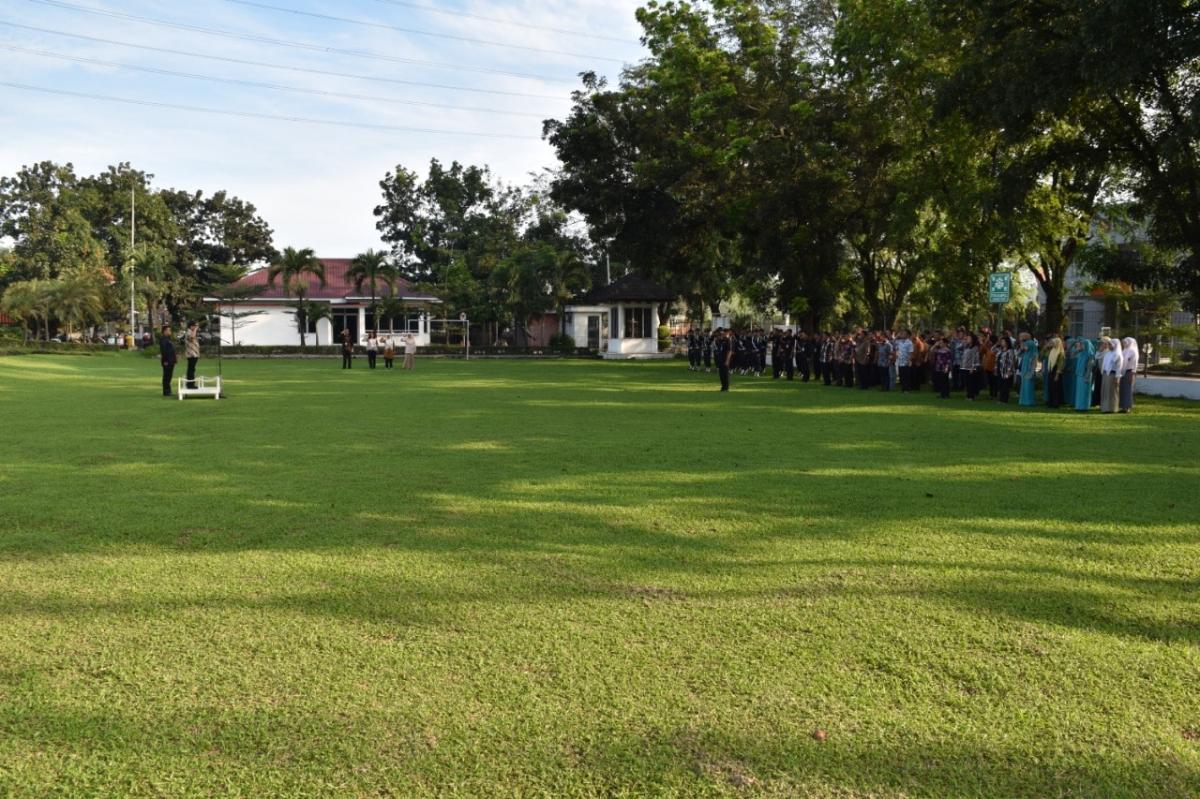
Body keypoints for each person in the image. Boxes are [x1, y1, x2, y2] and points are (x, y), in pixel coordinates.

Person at [1071, 338, 1096, 412]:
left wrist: (1087, 376)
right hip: (1079, 374)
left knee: (1085, 392)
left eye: (1082, 344)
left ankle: (1084, 407)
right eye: (1081, 344)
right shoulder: (1081, 353)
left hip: (1085, 375)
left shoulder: (1090, 355)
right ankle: (1079, 407)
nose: (1081, 345)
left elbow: (1090, 366)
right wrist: (1078, 349)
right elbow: (1072, 355)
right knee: (1079, 392)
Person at [1100, 336, 1123, 413]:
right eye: (1108, 344)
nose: (1109, 346)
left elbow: (1119, 368)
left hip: (1112, 375)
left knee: (1112, 392)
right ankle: (1105, 407)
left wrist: (1117, 378)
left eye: (1110, 344)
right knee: (1105, 391)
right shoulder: (1108, 353)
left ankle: (1112, 408)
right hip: (1105, 374)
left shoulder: (1118, 354)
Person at [1044, 336, 1066, 408]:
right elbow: (1042, 356)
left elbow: (1060, 364)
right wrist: (1045, 347)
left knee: (1056, 388)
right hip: (1051, 370)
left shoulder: (1060, 352)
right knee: (1051, 387)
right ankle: (1051, 402)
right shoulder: (1051, 351)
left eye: (1053, 343)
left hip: (1056, 372)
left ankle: (1056, 403)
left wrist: (1057, 375)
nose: (1052, 344)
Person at [1018, 335, 1039, 407]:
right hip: (1025, 368)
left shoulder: (1030, 344)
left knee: (1028, 385)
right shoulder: (1027, 351)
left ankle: (1028, 401)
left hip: (1029, 368)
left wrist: (1022, 343)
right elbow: (1020, 353)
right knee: (1024, 384)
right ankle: (1024, 401)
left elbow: (1025, 348)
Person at [1119, 337, 1139, 413]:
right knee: (1122, 389)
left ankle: (1128, 407)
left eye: (1125, 342)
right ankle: (1123, 406)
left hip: (1130, 372)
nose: (1124, 344)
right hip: (1123, 372)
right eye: (1123, 342)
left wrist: (1132, 373)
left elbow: (1134, 364)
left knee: (1128, 390)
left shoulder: (1133, 351)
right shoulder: (1124, 350)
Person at [995, 337, 1017, 404]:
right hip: (1000, 370)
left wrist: (1009, 371)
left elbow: (1011, 362)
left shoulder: (1010, 351)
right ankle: (1001, 399)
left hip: (1006, 371)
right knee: (1000, 385)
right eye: (1001, 341)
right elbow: (992, 350)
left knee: (1005, 386)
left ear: (1007, 343)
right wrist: (997, 344)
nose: (1002, 343)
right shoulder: (1000, 350)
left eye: (1003, 341)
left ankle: (1004, 400)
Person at [159, 324, 177, 397]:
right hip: (167, 361)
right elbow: (164, 351)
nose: (170, 331)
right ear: (164, 331)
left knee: (169, 376)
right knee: (166, 376)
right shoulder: (163, 339)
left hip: (171, 360)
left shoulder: (168, 339)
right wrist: (165, 361)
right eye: (169, 330)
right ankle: (166, 391)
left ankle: (168, 390)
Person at [184, 321, 200, 390]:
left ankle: (191, 383)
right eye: (195, 326)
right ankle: (190, 384)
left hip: (194, 354)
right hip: (191, 354)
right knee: (191, 370)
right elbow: (192, 337)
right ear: (191, 326)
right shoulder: (189, 332)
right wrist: (195, 330)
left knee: (192, 369)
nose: (196, 327)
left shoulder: (191, 332)